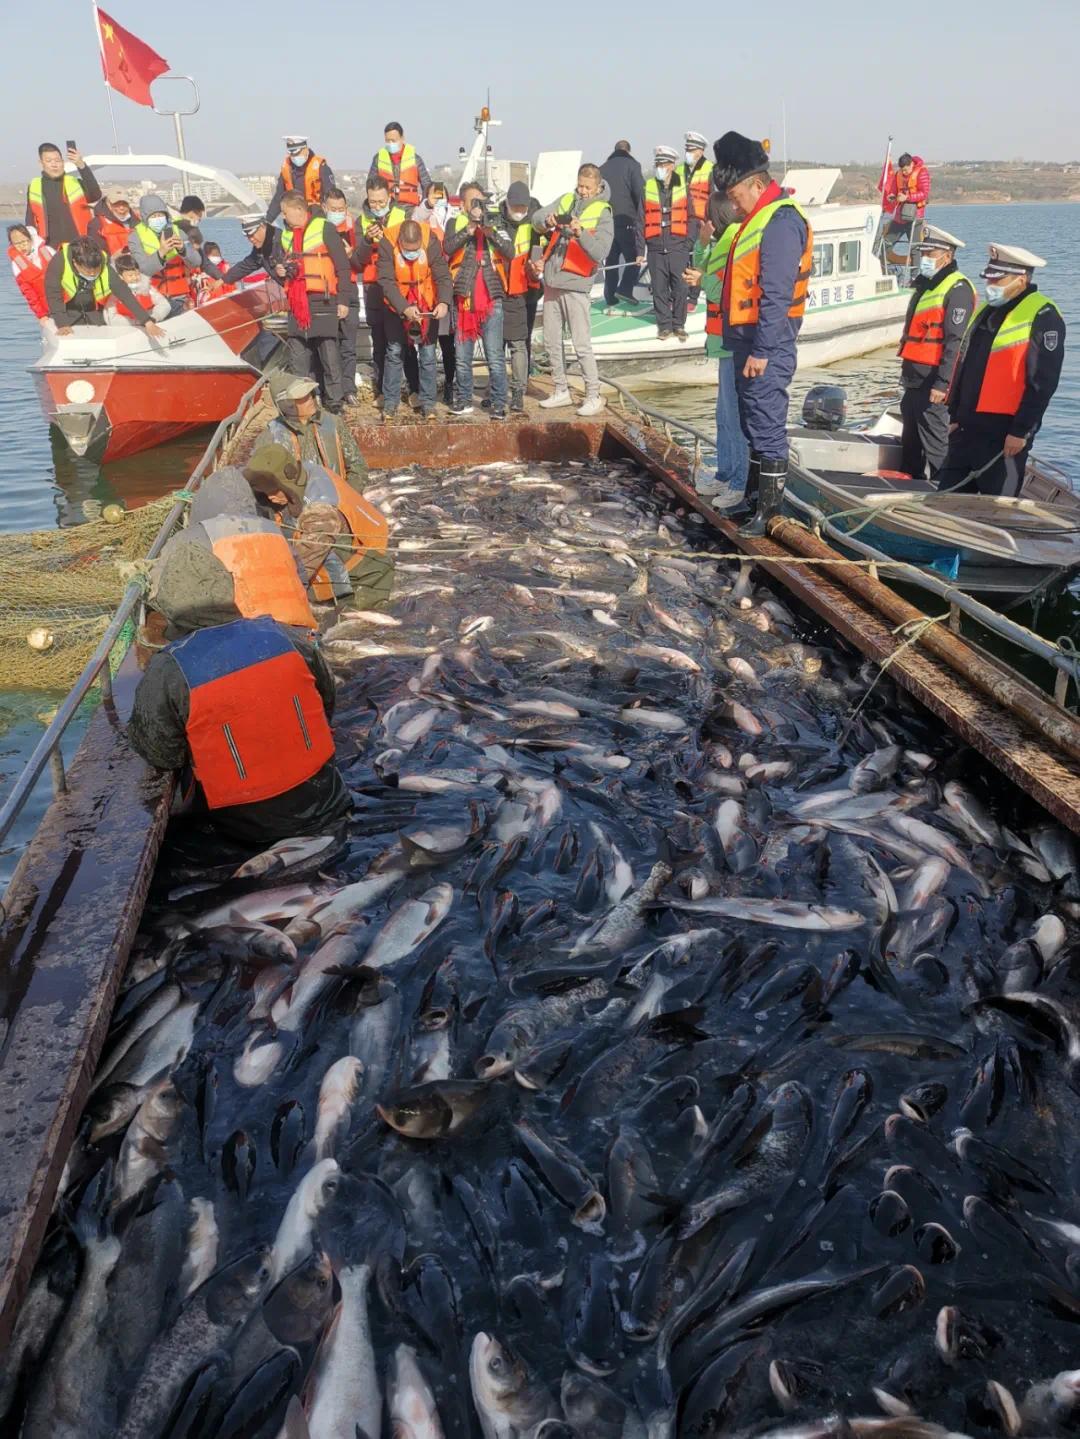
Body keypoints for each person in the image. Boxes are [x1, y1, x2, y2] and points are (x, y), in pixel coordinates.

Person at [129, 534, 349, 845]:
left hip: (245, 828)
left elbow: (160, 752)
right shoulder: (287, 636)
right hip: (328, 799)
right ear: (229, 587)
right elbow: (326, 700)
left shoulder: (168, 668)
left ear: (167, 604)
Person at [711, 130, 813, 535]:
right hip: (745, 341)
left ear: (756, 183)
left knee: (768, 423)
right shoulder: (756, 219)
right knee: (752, 421)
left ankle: (770, 513)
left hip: (765, 344)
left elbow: (776, 293)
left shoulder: (782, 222)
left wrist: (763, 350)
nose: (731, 202)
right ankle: (754, 499)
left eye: (734, 193)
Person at [936, 244, 1065, 499]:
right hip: (967, 428)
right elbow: (967, 365)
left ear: (1022, 278)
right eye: (990, 278)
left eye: (998, 279)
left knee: (997, 504)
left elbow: (1042, 383)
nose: (991, 284)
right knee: (947, 498)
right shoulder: (988, 310)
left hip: (1003, 433)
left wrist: (1021, 431)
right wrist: (954, 414)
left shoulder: (1043, 314)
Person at [159, 467, 317, 631]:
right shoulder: (274, 530)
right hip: (298, 631)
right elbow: (301, 578)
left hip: (243, 634)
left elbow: (165, 593)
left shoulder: (189, 538)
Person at [244, 439, 393, 610]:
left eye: (273, 491)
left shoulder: (321, 512)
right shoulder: (305, 470)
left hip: (364, 576)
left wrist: (267, 597)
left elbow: (303, 566)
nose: (270, 497)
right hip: (330, 562)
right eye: (264, 492)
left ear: (289, 481)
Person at [533, 165, 613, 418]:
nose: (582, 191)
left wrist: (581, 234)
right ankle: (560, 389)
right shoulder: (567, 199)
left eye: (587, 187)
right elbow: (536, 219)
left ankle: (593, 395)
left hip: (577, 283)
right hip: (554, 281)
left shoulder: (604, 212)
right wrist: (547, 221)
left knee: (581, 344)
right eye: (580, 185)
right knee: (551, 340)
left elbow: (601, 252)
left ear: (598, 187)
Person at [897, 224, 975, 481]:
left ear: (947, 256)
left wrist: (942, 384)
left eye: (931, 253)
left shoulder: (958, 289)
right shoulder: (927, 285)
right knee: (910, 441)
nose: (926, 259)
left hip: (933, 381)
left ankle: (944, 491)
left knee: (935, 442)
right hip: (914, 378)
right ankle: (911, 484)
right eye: (925, 253)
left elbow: (955, 343)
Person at [682, 193, 747, 500]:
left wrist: (703, 280)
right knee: (723, 416)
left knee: (734, 418)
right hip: (721, 342)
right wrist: (703, 242)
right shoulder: (721, 241)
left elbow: (728, 289)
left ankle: (738, 483)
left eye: (708, 217)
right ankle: (724, 474)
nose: (705, 222)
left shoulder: (736, 240)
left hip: (733, 342)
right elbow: (700, 269)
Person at [443, 182, 514, 419]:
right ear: (463, 205)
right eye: (473, 202)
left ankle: (498, 402)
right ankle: (464, 400)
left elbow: (510, 251)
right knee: (462, 357)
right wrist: (470, 229)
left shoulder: (496, 222)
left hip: (491, 298)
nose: (478, 206)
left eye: (480, 201)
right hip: (464, 299)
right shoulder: (456, 223)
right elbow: (448, 246)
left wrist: (490, 231)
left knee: (495, 356)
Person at [278, 190, 351, 413]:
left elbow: (342, 267)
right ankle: (303, 401)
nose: (283, 217)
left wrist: (344, 300)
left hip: (324, 298)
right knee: (298, 355)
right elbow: (290, 265)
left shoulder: (324, 228)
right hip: (298, 303)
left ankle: (334, 401)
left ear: (299, 210)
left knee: (329, 353)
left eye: (285, 213)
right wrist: (281, 270)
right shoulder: (286, 236)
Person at [377, 218, 452, 421]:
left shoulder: (432, 241)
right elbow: (385, 281)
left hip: (426, 301)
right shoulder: (386, 242)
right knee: (394, 352)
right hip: (397, 304)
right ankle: (390, 405)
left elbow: (443, 276)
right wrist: (404, 308)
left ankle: (428, 405)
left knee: (427, 355)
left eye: (416, 249)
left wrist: (443, 302)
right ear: (399, 241)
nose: (411, 254)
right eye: (406, 250)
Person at [348, 178, 410, 407]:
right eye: (373, 202)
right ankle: (383, 390)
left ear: (389, 198)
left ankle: (411, 388)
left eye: (381, 201)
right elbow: (356, 261)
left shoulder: (403, 216)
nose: (376, 206)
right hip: (373, 287)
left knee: (405, 342)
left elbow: (411, 248)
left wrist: (386, 239)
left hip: (399, 286)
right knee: (380, 343)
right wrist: (366, 240)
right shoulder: (360, 221)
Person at [264, 370, 370, 491]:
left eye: (310, 393)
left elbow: (358, 466)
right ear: (287, 405)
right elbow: (263, 482)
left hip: (338, 499)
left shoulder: (334, 423)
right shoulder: (271, 436)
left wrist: (349, 493)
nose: (310, 399)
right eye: (302, 397)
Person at [44, 236, 167, 336]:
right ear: (76, 264)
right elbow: (53, 295)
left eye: (96, 270)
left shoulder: (104, 264)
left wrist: (147, 321)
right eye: (88, 271)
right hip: (68, 309)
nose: (92, 274)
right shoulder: (58, 262)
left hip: (93, 308)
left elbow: (124, 293)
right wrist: (61, 323)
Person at [637, 145, 692, 342]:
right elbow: (640, 219)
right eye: (658, 163)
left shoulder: (684, 188)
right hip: (655, 247)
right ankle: (664, 326)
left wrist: (689, 243)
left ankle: (679, 325)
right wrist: (639, 250)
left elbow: (692, 217)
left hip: (678, 246)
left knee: (680, 287)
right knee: (659, 288)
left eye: (664, 163)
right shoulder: (648, 187)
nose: (661, 167)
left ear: (673, 165)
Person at [413, 181, 456, 403]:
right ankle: (425, 391)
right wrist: (427, 206)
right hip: (427, 287)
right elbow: (414, 220)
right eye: (433, 195)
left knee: (449, 342)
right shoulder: (422, 217)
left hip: (448, 285)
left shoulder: (454, 217)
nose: (438, 199)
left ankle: (450, 384)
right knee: (427, 343)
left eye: (441, 195)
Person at [500, 181, 541, 413]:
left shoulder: (536, 221)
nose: (519, 212)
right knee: (498, 343)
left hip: (528, 289)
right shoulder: (498, 221)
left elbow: (543, 248)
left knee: (522, 339)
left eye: (522, 208)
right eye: (515, 207)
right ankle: (499, 384)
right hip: (502, 288)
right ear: (507, 204)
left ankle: (522, 383)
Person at [129, 194, 200, 314]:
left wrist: (183, 249)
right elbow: (143, 269)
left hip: (180, 297)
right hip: (154, 299)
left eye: (161, 215)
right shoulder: (135, 237)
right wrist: (161, 252)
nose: (158, 218)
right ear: (145, 217)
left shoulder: (178, 232)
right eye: (154, 216)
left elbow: (196, 262)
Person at [324, 188, 361, 405]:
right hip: (328, 291)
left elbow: (362, 263)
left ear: (346, 208)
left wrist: (351, 254)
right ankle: (332, 391)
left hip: (350, 289)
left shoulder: (354, 229)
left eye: (340, 209)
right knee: (329, 345)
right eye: (333, 209)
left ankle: (349, 390)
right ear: (325, 208)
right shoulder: (320, 229)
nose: (337, 212)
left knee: (348, 344)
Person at [26, 142, 101, 247]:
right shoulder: (34, 186)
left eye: (57, 160)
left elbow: (96, 195)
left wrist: (81, 165)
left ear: (63, 162)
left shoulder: (76, 183)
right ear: (41, 163)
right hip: (49, 248)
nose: (54, 164)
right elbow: (30, 220)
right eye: (48, 161)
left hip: (80, 246)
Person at [599, 140, 644, 310]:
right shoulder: (633, 166)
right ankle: (625, 288)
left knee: (611, 262)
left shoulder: (602, 168)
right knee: (635, 259)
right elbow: (640, 192)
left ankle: (610, 296)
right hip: (627, 220)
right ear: (629, 151)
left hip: (606, 221)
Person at [678, 131, 713, 311]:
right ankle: (680, 294)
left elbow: (714, 198)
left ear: (700, 150)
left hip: (700, 222)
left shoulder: (710, 169)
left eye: (691, 149)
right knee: (680, 257)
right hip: (681, 222)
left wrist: (708, 222)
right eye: (687, 149)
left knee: (698, 258)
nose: (688, 152)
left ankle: (693, 297)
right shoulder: (679, 170)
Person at [268, 136, 335, 223]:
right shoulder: (286, 168)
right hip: (295, 218)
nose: (294, 157)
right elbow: (278, 197)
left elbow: (331, 196)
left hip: (317, 217)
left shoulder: (320, 167)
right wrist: (268, 220)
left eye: (296, 153)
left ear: (305, 149)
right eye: (291, 154)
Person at [369, 123, 430, 210]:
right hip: (385, 209)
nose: (390, 143)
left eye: (393, 140)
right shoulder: (378, 159)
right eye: (387, 141)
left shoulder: (416, 159)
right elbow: (370, 185)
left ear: (402, 138)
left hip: (410, 209)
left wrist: (425, 206)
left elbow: (428, 185)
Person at [7, 224, 55, 326]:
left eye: (24, 241)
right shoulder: (17, 264)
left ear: (31, 239)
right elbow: (28, 292)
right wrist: (41, 315)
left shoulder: (47, 251)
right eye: (17, 244)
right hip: (48, 309)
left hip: (66, 300)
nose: (22, 246)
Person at [882, 152, 930, 249]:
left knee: (915, 247)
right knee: (886, 243)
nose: (904, 172)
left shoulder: (922, 172)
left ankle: (916, 264)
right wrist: (892, 195)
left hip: (915, 217)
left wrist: (907, 197)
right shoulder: (898, 174)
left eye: (906, 170)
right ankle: (880, 263)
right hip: (899, 216)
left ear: (911, 164)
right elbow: (894, 190)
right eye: (902, 170)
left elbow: (924, 194)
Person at [109, 250, 172, 324]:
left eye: (137, 274)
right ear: (121, 277)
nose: (135, 278)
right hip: (130, 330)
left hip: (152, 324)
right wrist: (134, 322)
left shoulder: (147, 288)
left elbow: (164, 304)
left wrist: (155, 317)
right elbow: (111, 318)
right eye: (130, 275)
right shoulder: (116, 295)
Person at [220, 213, 280, 286]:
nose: (251, 239)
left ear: (263, 227)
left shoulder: (282, 240)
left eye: (252, 234)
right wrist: (223, 280)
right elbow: (246, 265)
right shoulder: (260, 249)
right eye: (248, 236)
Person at [89, 186, 135, 257]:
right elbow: (94, 255)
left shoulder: (136, 221)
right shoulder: (97, 224)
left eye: (124, 203)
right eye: (116, 204)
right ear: (108, 204)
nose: (121, 207)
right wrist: (113, 258)